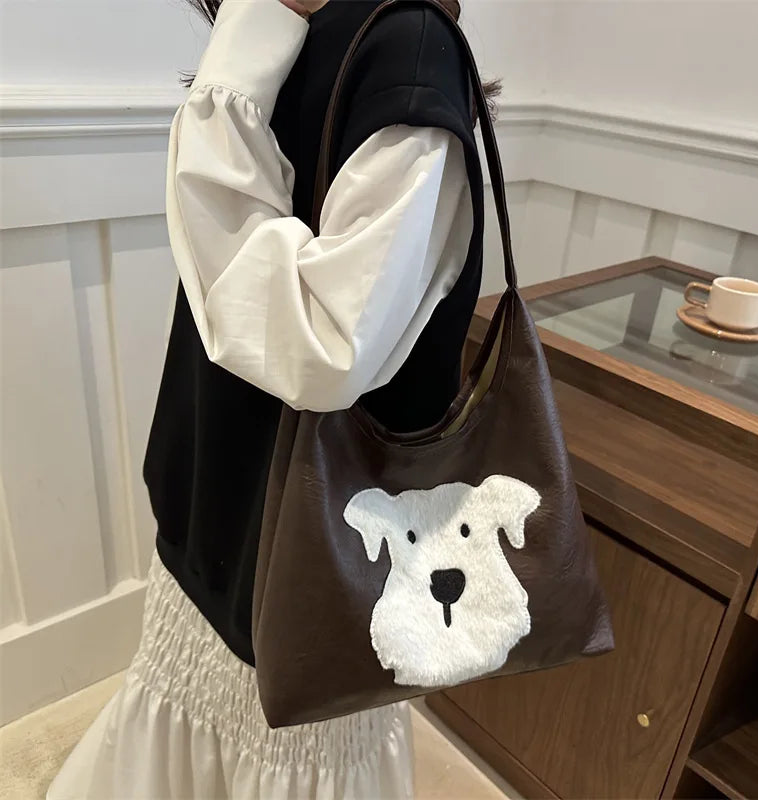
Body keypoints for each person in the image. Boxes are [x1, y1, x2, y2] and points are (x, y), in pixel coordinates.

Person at [49, 0, 489, 796]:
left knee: (284, 744)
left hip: (305, 548)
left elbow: (323, 345)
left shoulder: (407, 45)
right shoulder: (289, 34)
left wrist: (240, 56)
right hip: (219, 505)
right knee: (193, 706)